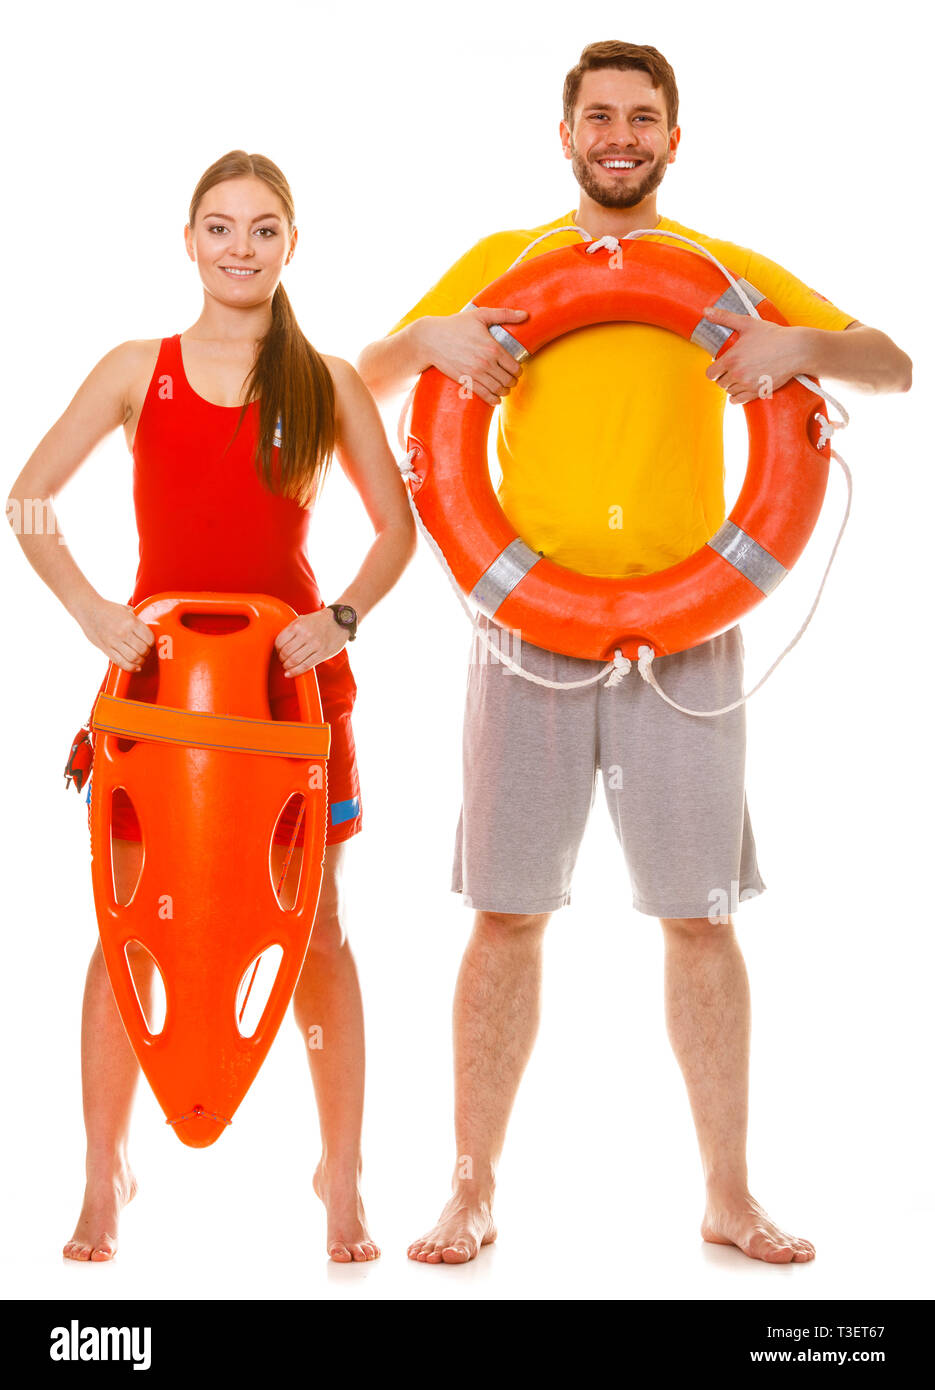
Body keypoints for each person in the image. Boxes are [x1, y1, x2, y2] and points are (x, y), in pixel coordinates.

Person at [358, 41, 912, 1265]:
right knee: (504, 914)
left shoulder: (724, 270)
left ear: (672, 138)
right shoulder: (503, 264)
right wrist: (435, 338)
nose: (619, 134)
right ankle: (468, 1187)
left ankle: (728, 1192)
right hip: (524, 633)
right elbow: (362, 378)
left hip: (689, 632)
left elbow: (893, 363)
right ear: (565, 136)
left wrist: (796, 349)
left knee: (698, 920)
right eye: (598, 116)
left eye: (641, 117)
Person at [7, 150, 415, 1264]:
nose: (242, 247)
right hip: (158, 697)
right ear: (187, 241)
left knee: (316, 927)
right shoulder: (139, 369)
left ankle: (343, 1170)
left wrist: (340, 617)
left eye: (265, 229)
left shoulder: (322, 380)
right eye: (221, 227)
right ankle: (106, 1171)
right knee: (129, 927)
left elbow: (395, 532)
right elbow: (29, 498)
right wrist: (94, 609)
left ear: (293, 244)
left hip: (287, 701)